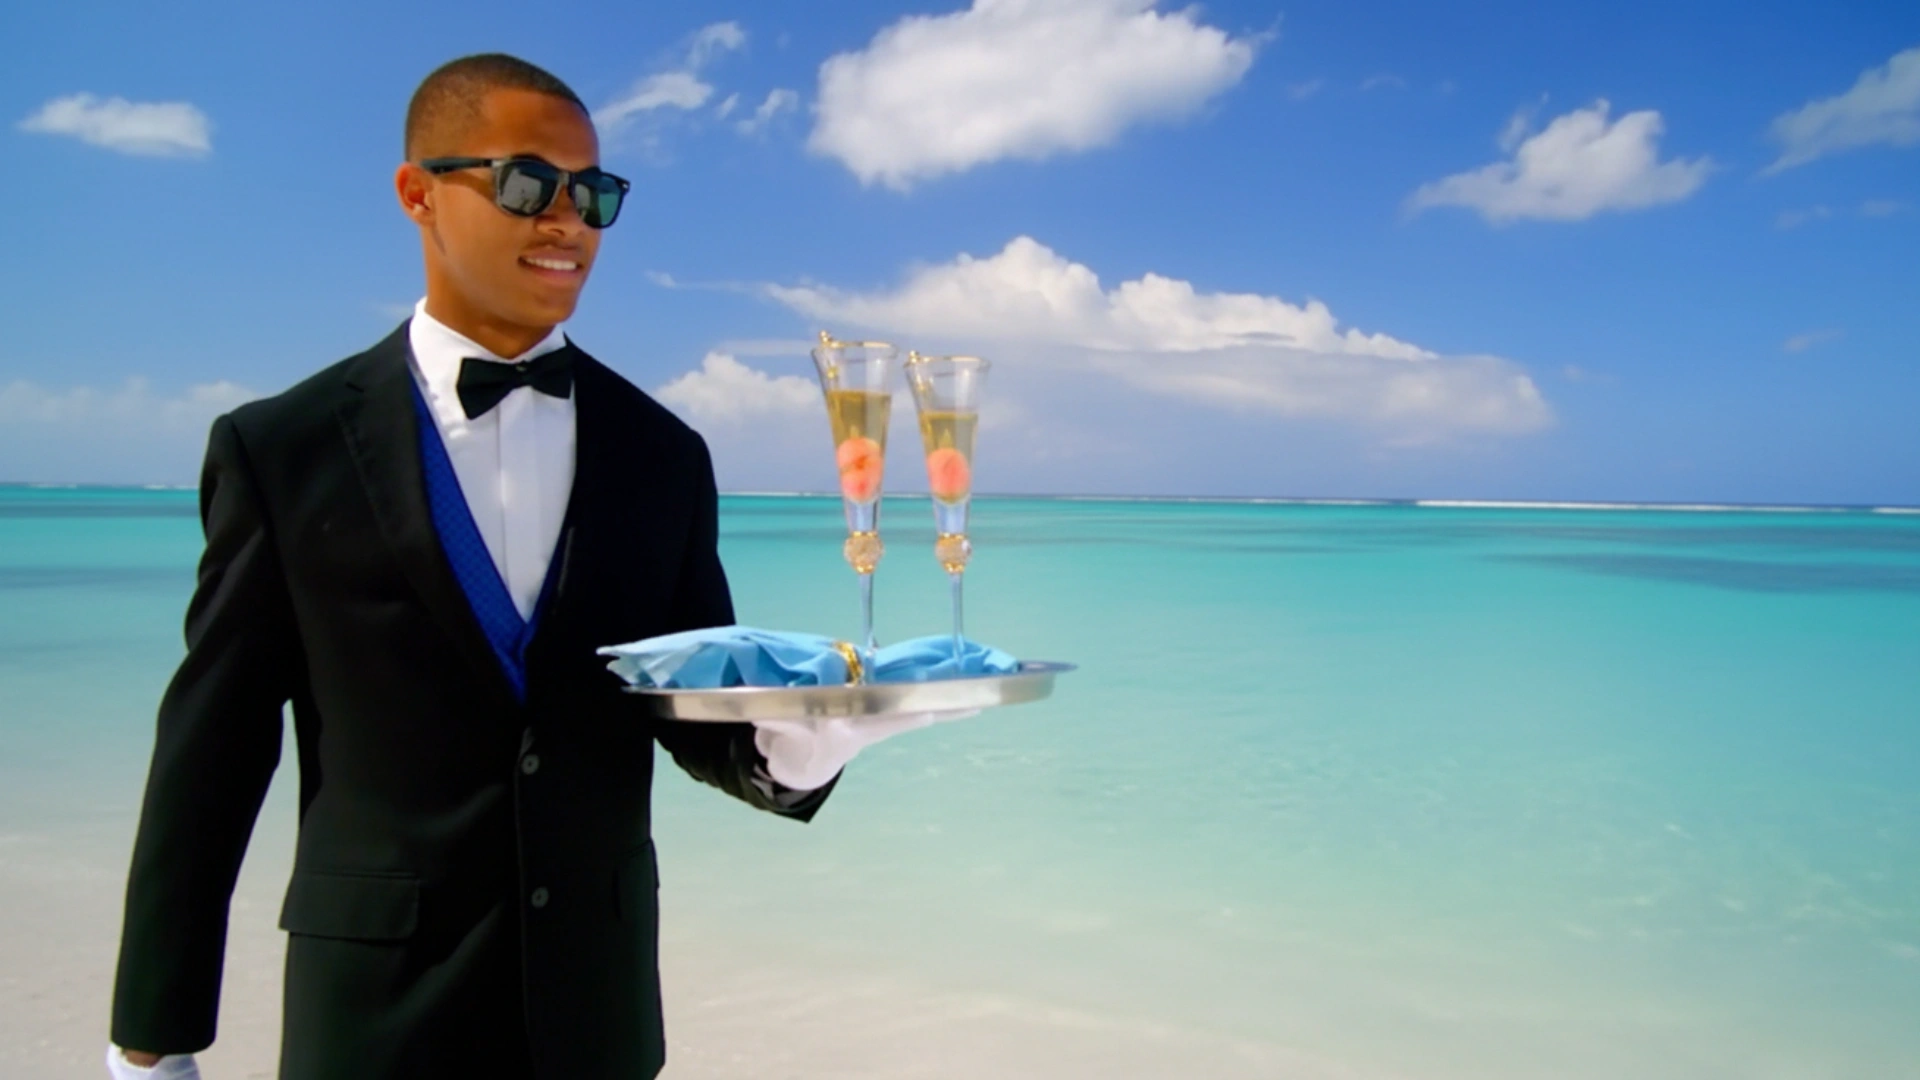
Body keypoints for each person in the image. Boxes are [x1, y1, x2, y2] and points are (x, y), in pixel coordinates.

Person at [105, 52, 942, 1080]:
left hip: (596, 1014)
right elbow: (214, 753)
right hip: (371, 1016)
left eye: (594, 196)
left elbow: (686, 706)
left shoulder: (663, 455)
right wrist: (152, 1039)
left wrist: (808, 746)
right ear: (419, 193)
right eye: (527, 185)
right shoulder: (282, 450)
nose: (569, 223)